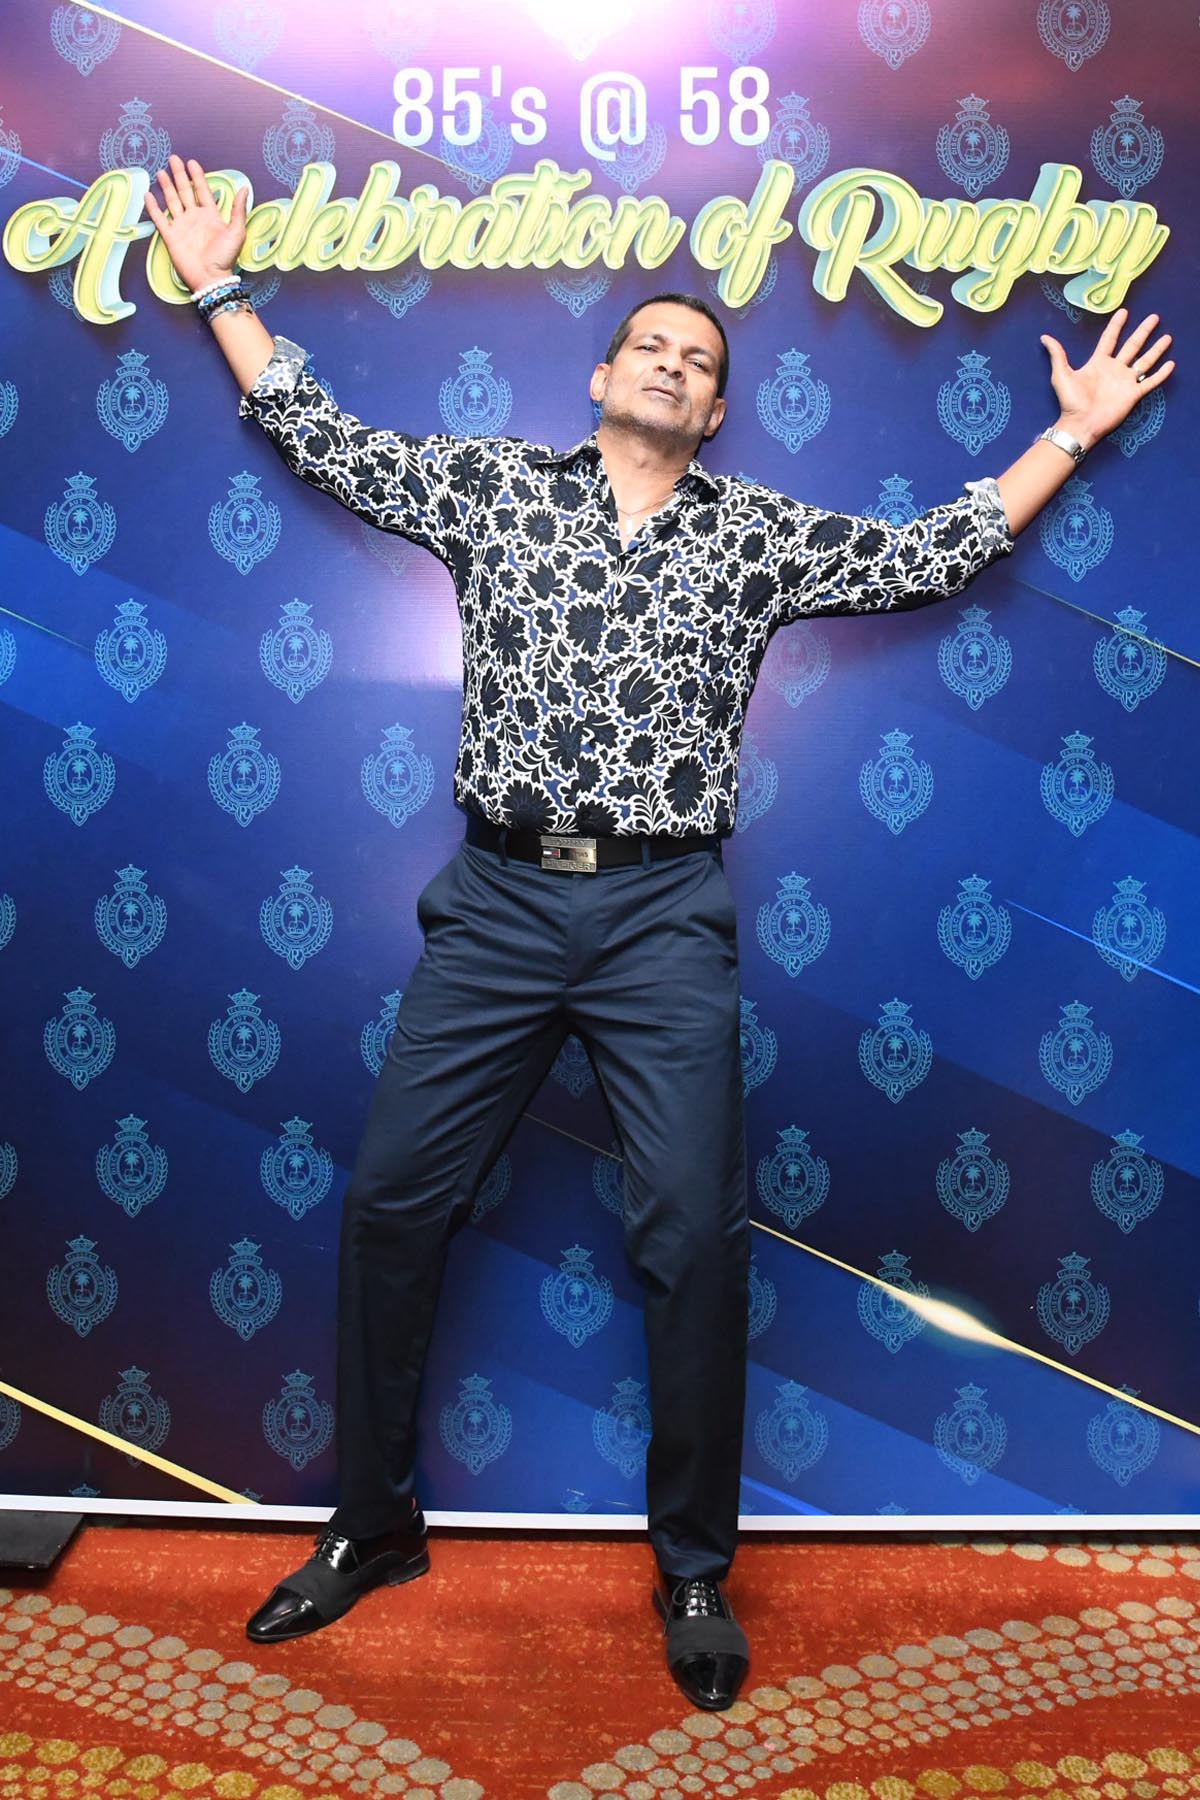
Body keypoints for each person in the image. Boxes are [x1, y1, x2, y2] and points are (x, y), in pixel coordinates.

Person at [146, 153, 1173, 1711]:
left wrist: (1070, 432)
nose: (675, 367)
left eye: (700, 362)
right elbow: (322, 437)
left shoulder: (750, 535)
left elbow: (930, 553)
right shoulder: (497, 490)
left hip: (660, 917)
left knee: (693, 1238)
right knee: (392, 1205)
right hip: (497, 905)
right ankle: (372, 1526)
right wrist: (221, 286)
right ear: (602, 378)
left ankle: (693, 1567)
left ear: (715, 411)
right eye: (653, 347)